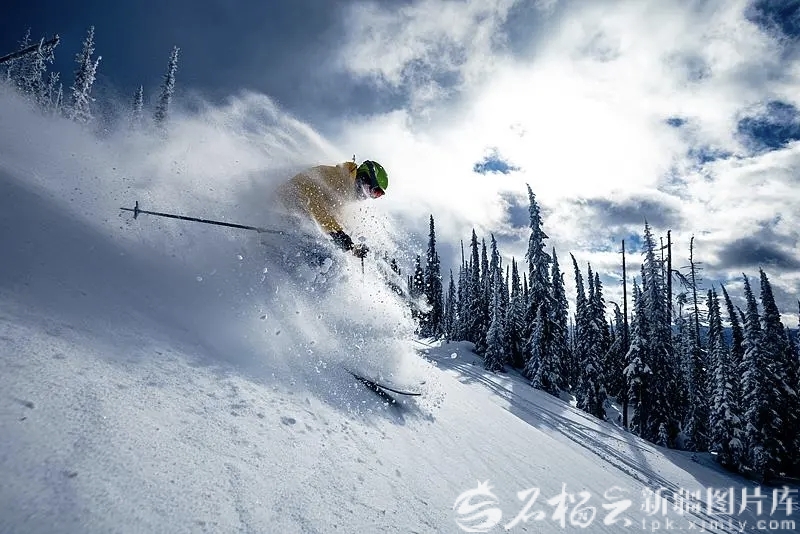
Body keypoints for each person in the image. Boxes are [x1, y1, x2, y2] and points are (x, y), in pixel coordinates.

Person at [275, 159, 389, 260]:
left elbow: (331, 216)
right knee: (324, 252)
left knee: (327, 248)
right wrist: (337, 233)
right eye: (369, 190)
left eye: (374, 195)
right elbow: (314, 203)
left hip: (295, 215)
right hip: (282, 208)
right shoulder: (337, 178)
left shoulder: (345, 189)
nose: (365, 196)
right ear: (362, 178)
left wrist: (352, 246)